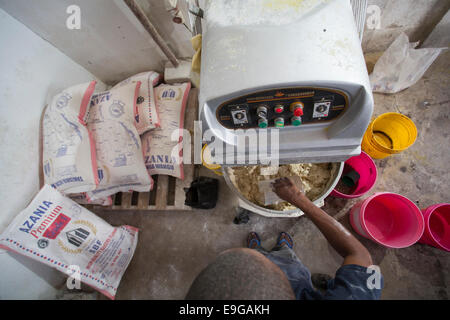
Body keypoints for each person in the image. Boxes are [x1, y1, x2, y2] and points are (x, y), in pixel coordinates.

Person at [186, 177, 383, 300]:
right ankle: (280, 251)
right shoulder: (356, 295)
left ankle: (257, 249)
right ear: (287, 289)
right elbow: (360, 255)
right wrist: (299, 199)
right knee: (287, 259)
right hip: (296, 277)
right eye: (268, 265)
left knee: (266, 255)